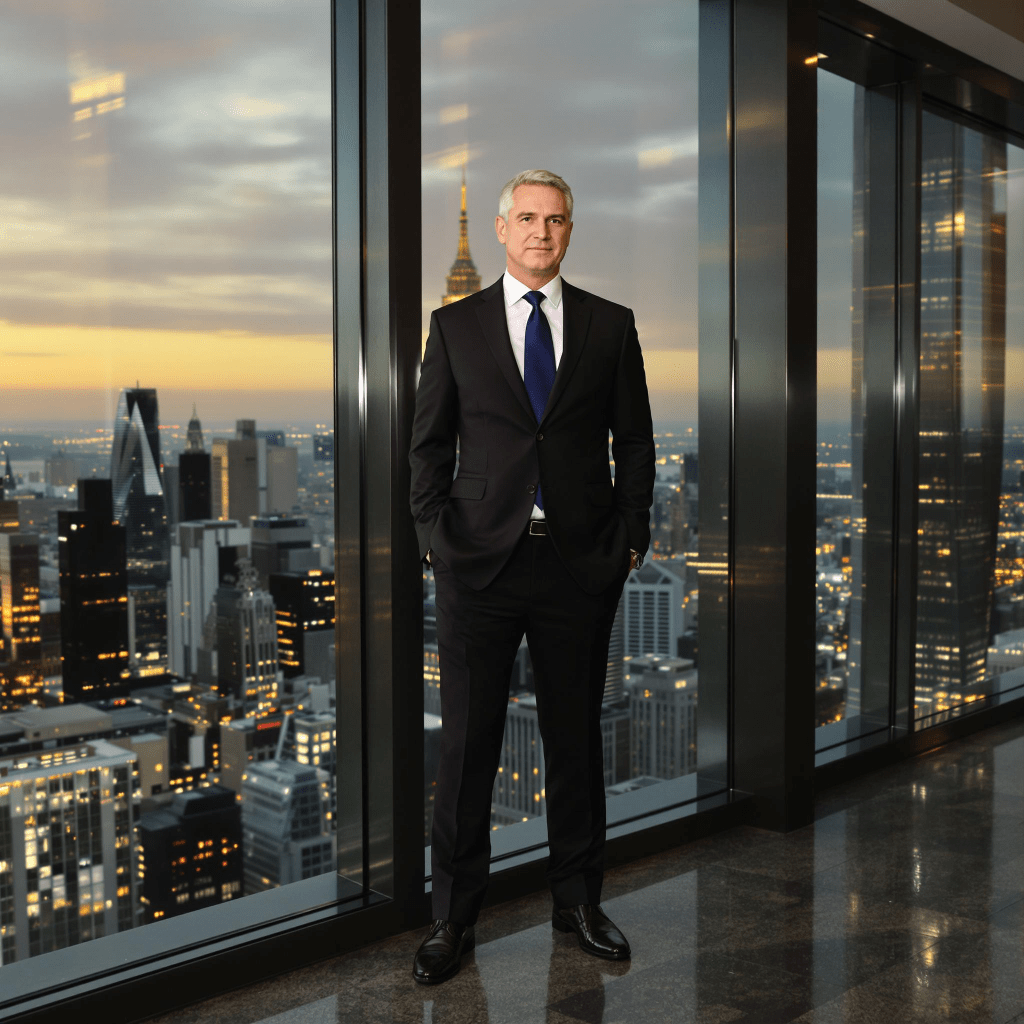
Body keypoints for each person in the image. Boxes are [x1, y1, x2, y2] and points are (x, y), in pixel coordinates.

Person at [409, 169, 655, 985]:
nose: (541, 232)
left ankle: (579, 904)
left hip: (579, 563)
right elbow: (428, 448)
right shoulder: (455, 327)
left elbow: (637, 443)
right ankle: (452, 920)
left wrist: (628, 540)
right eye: (526, 218)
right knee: (468, 749)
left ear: (570, 230)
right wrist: (438, 540)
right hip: (479, 564)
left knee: (575, 742)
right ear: (502, 232)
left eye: (555, 220)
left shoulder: (611, 327)